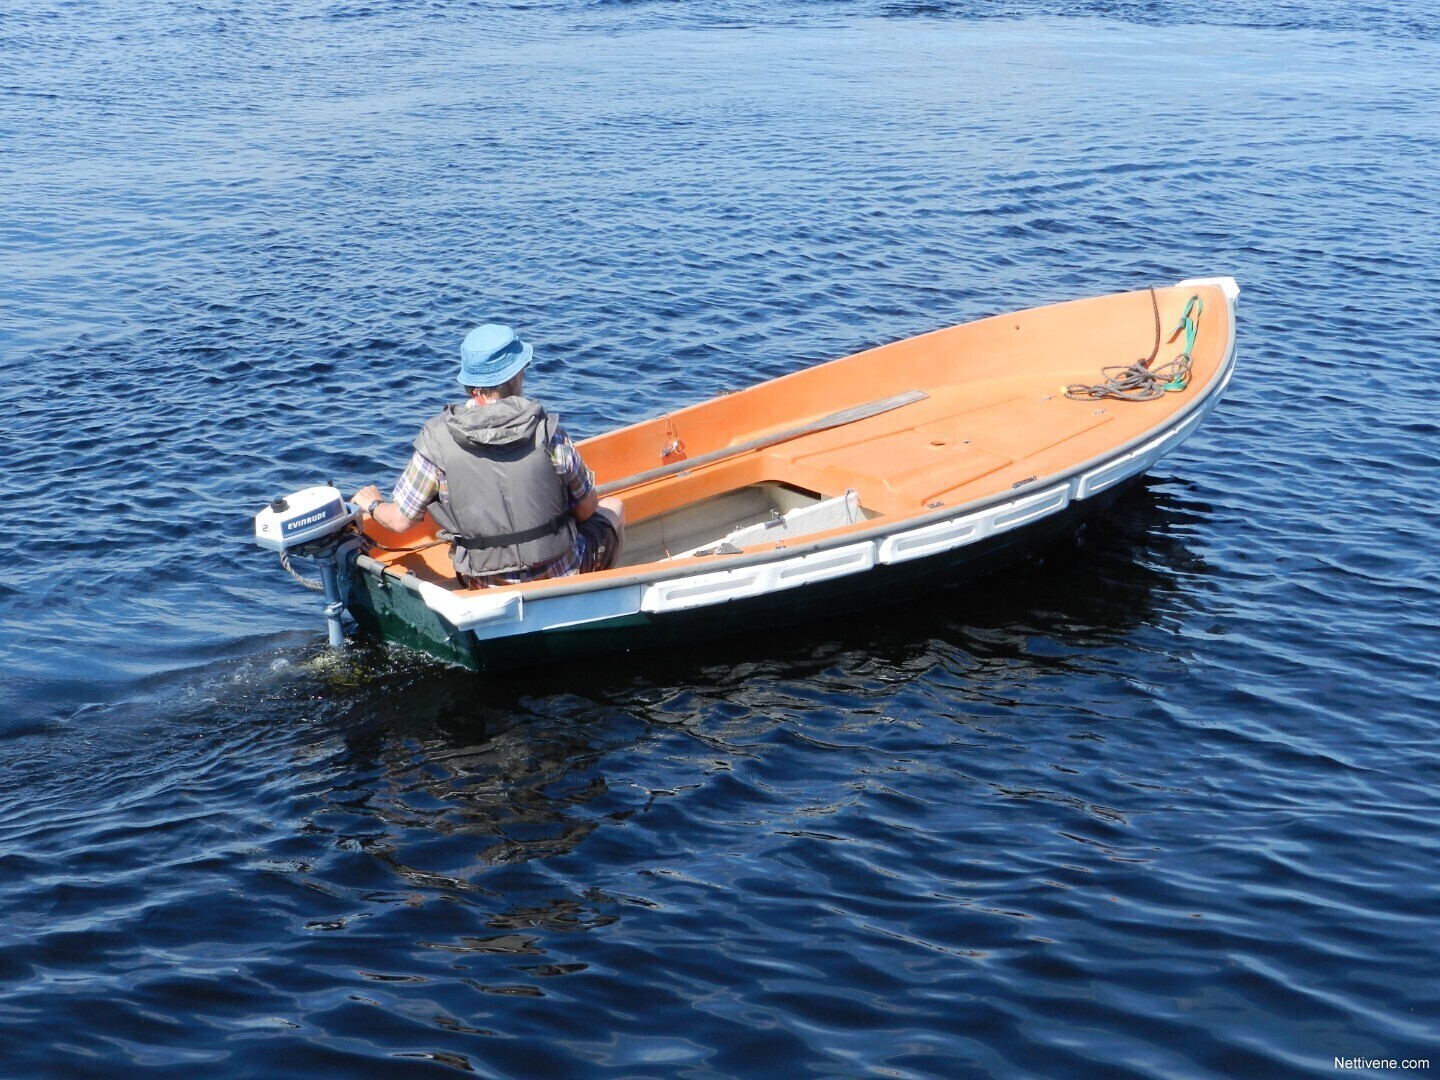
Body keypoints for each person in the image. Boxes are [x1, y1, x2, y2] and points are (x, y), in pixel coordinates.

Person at [354, 323, 624, 589]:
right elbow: (587, 509)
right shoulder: (549, 432)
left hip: (484, 583)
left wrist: (374, 504)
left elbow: (400, 521)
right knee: (614, 508)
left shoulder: (436, 444)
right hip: (561, 574)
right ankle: (592, 595)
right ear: (518, 374)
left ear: (472, 385)